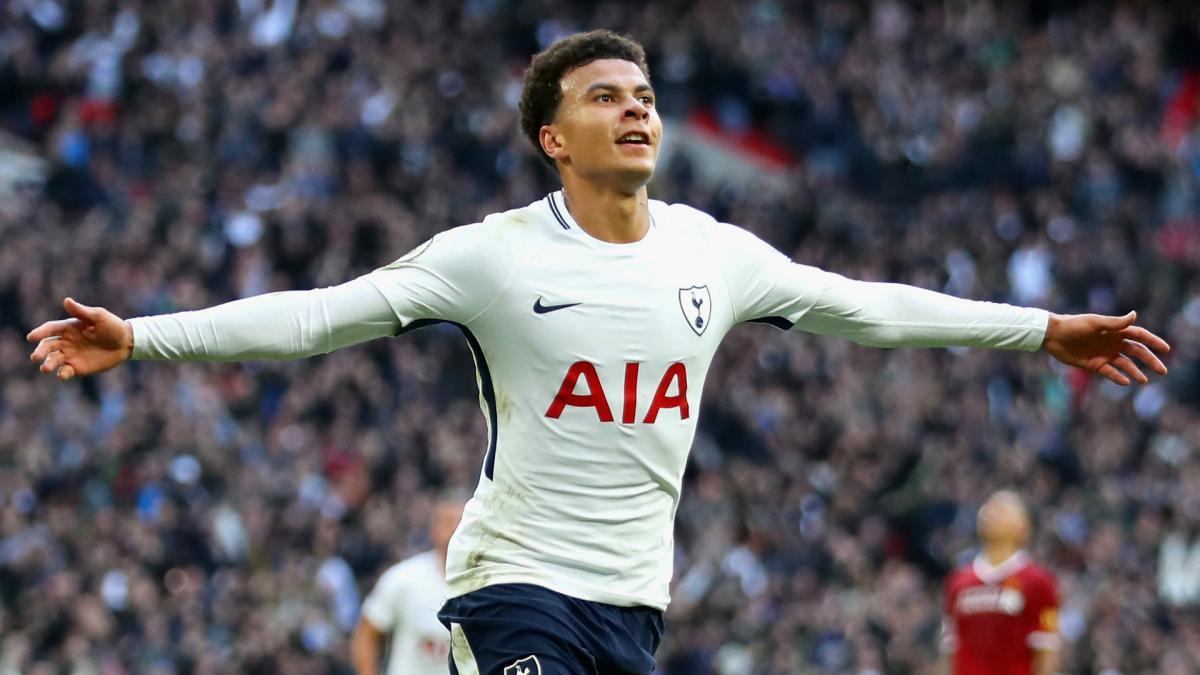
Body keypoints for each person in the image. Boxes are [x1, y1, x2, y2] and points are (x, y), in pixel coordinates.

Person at [26, 29, 1168, 675]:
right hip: (514, 583)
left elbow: (868, 307)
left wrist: (1040, 330)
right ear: (552, 137)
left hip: (633, 603)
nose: (637, 111)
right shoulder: (492, 255)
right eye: (606, 96)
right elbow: (322, 316)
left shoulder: (715, 253)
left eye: (646, 96)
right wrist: (144, 338)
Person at [941, 491, 1060, 675]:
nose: (989, 513)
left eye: (1001, 510)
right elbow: (950, 648)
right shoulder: (958, 581)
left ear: (1023, 527)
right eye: (987, 508)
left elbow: (1046, 649)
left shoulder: (1039, 582)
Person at [351, 494, 465, 675]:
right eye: (448, 521)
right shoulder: (404, 579)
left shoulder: (489, 583)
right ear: (433, 529)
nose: (455, 528)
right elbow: (366, 635)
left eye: (461, 521)